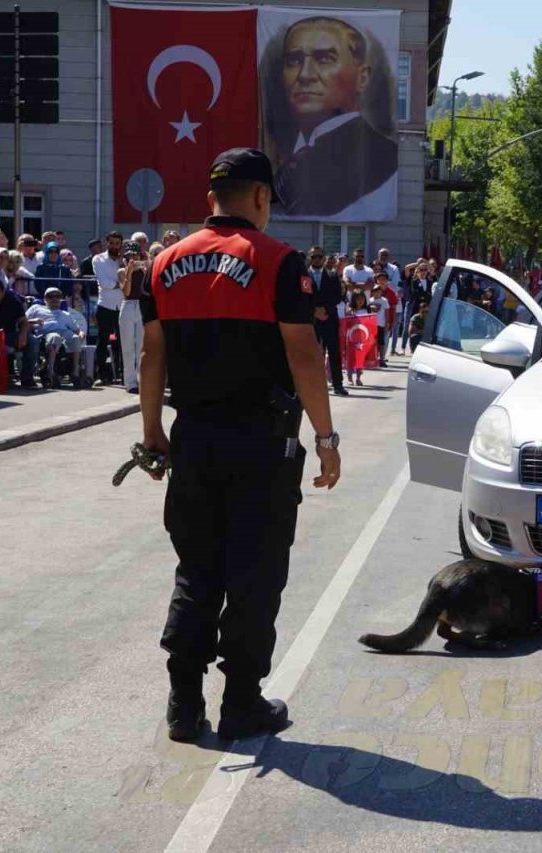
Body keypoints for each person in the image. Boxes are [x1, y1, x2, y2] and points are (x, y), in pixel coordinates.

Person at [138, 148, 340, 742]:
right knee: (255, 573)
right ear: (261, 198)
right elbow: (304, 354)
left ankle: (183, 705)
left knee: (197, 569)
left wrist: (151, 430)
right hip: (260, 445)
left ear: (210, 200)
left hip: (194, 440)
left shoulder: (164, 263)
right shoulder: (279, 263)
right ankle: (242, 703)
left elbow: (153, 356)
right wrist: (326, 438)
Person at [260, 15, 398, 219]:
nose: (305, 75)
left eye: (324, 59)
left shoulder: (382, 155)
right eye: (294, 61)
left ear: (362, 77)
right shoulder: (287, 154)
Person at [306, 245, 347, 396]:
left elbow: (337, 297)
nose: (317, 259)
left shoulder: (333, 275)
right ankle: (313, 386)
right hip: (312, 320)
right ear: (309, 259)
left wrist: (325, 310)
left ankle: (338, 385)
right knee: (315, 354)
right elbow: (301, 298)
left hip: (330, 318)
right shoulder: (304, 276)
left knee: (334, 352)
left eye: (319, 256)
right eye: (313, 257)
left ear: (324, 258)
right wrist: (315, 311)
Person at [26, 287, 86, 388]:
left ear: (61, 299)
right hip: (46, 333)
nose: (54, 299)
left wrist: (81, 334)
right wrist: (34, 322)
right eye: (50, 296)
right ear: (45, 299)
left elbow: (77, 330)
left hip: (64, 333)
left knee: (75, 338)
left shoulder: (65, 314)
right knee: (55, 337)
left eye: (57, 296)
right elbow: (23, 320)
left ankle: (75, 372)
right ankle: (50, 372)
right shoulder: (37, 308)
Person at [0, 280, 39, 388]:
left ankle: (27, 379)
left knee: (32, 341)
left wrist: (23, 335)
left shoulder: (12, 301)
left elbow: (24, 322)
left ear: (3, 292)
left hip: (8, 335)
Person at [92, 232, 126, 384]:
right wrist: (121, 284)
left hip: (122, 306)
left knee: (122, 342)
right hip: (105, 305)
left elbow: (130, 280)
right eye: (111, 243)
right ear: (107, 243)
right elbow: (105, 283)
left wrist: (121, 265)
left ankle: (122, 374)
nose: (114, 246)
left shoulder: (125, 261)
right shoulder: (98, 259)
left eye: (117, 243)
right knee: (102, 341)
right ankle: (102, 374)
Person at [118, 248, 149, 394]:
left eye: (135, 255)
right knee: (128, 346)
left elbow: (147, 290)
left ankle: (140, 379)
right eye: (130, 255)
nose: (133, 258)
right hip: (128, 305)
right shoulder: (122, 272)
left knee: (141, 347)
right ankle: (130, 382)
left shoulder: (145, 270)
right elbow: (126, 292)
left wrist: (145, 268)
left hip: (141, 305)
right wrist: (129, 271)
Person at [344, 289, 371, 385]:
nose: (361, 301)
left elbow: (369, 324)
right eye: (358, 299)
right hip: (351, 338)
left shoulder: (366, 310)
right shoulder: (350, 310)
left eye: (362, 299)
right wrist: (349, 314)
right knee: (350, 358)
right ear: (354, 300)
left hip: (362, 339)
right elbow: (346, 322)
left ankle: (358, 377)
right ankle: (349, 377)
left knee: (360, 358)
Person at [369, 271, 390, 367]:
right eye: (375, 290)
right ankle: (373, 358)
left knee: (381, 343)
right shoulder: (370, 301)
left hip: (380, 324)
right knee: (372, 342)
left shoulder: (384, 301)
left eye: (378, 290)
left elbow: (386, 313)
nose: (377, 292)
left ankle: (381, 358)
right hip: (372, 325)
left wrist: (386, 324)